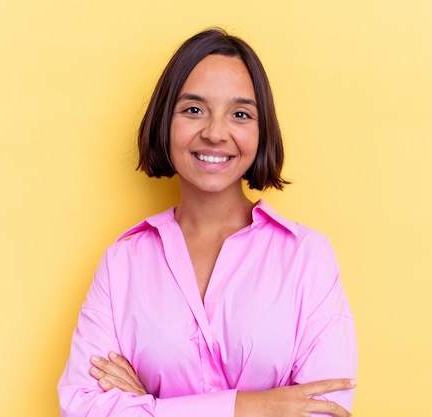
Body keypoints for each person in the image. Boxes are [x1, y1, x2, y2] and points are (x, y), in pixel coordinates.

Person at [58, 28, 358, 417]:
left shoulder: (307, 258)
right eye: (194, 109)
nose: (216, 133)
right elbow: (83, 408)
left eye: (240, 114)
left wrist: (152, 405)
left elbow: (325, 412)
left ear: (261, 129)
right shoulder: (122, 264)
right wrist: (253, 407)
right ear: (165, 121)